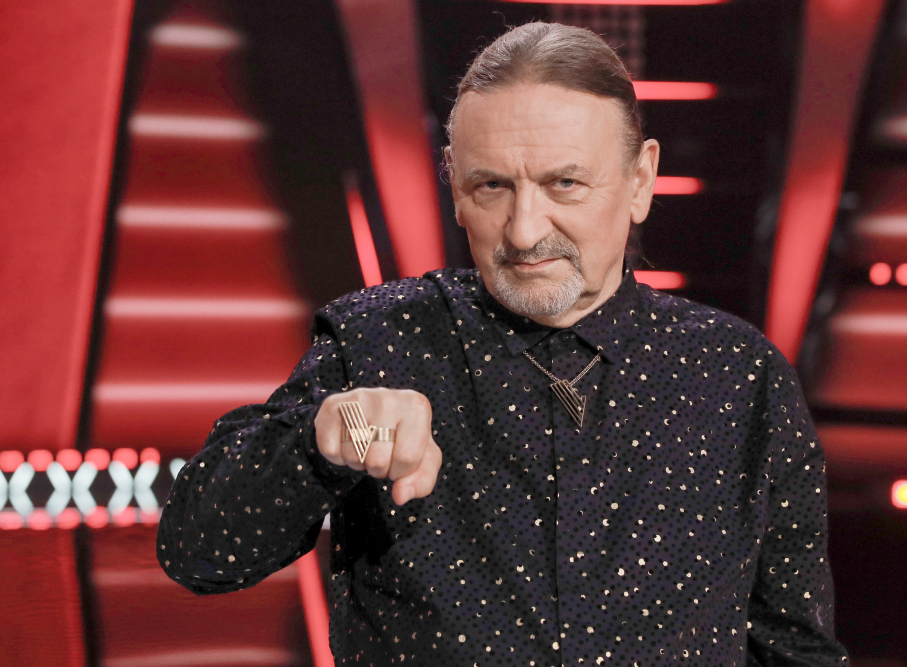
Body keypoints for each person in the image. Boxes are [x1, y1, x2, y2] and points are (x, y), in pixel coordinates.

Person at [158, 22, 848, 666]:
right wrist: (317, 443)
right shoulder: (376, 342)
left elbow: (794, 650)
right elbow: (196, 550)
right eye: (492, 186)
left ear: (641, 180)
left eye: (564, 184)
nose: (523, 230)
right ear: (456, 187)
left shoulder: (739, 375)